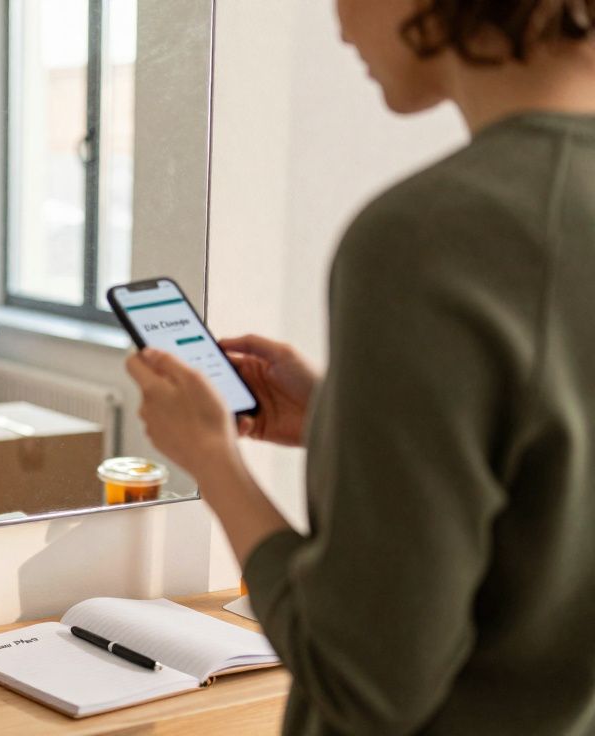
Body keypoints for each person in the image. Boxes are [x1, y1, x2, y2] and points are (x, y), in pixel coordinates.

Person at [126, 0, 595, 733]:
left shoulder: (427, 239)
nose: (339, 25)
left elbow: (361, 679)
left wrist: (212, 461)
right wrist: (346, 419)